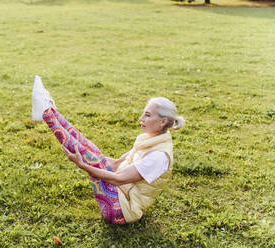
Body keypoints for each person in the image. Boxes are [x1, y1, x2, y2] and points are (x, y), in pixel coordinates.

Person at [32, 76, 184, 224]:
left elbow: (117, 179)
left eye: (148, 115)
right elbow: (117, 163)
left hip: (122, 211)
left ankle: (47, 115)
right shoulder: (152, 139)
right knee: (96, 155)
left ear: (162, 122)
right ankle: (50, 112)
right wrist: (95, 157)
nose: (141, 118)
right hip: (120, 193)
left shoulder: (158, 156)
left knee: (95, 162)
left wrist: (83, 165)